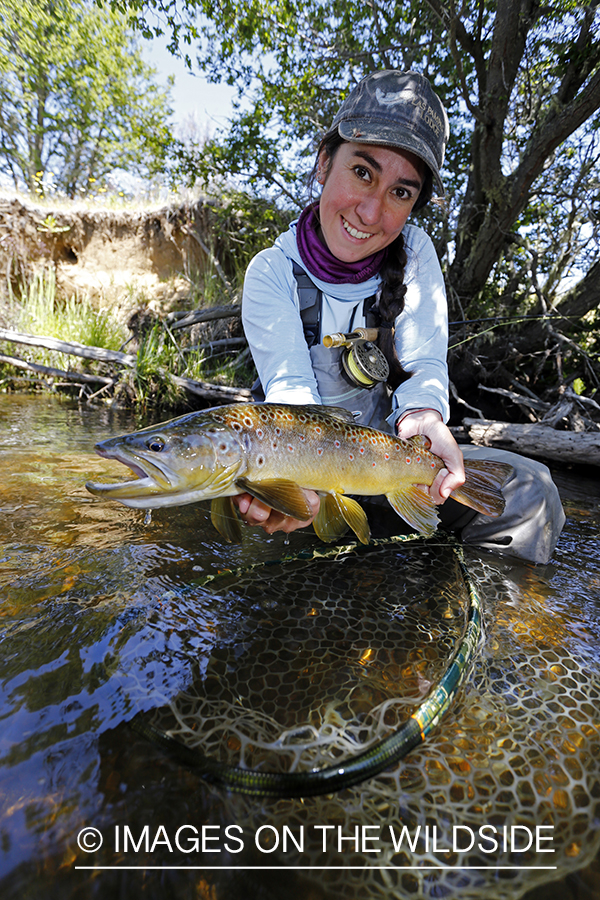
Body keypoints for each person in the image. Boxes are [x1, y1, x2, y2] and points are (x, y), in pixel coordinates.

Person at [235, 70, 565, 565]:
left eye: (401, 192)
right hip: (307, 482)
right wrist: (298, 484)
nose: (371, 212)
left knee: (531, 490)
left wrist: (424, 417)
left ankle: (494, 627)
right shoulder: (271, 272)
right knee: (248, 510)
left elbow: (423, 368)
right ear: (325, 163)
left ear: (415, 204)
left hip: (392, 470)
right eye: (363, 172)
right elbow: (291, 400)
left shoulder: (415, 253)